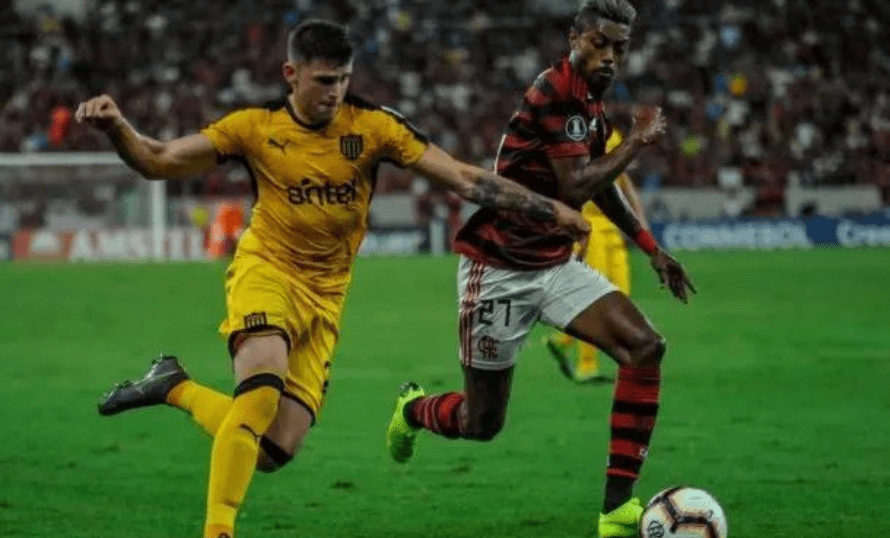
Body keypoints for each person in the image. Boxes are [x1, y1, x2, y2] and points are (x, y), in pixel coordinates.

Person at [77, 19, 589, 538]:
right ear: (290, 74)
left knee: (274, 448)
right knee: (258, 395)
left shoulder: (373, 128)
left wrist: (550, 210)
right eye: (324, 80)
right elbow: (158, 160)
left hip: (326, 297)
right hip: (267, 271)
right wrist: (119, 127)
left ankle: (174, 387)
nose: (336, 91)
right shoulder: (254, 127)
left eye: (343, 78)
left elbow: (462, 176)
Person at [384, 2, 696, 538]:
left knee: (645, 346)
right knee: (482, 424)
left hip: (553, 265)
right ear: (574, 36)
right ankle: (415, 410)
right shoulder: (555, 92)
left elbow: (596, 186)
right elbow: (575, 185)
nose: (610, 56)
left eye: (620, 48)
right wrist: (638, 144)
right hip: (499, 270)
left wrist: (651, 249)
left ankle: (616, 508)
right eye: (600, 42)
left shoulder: (591, 105)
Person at [544, 129, 650, 383]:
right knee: (593, 299)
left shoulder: (611, 134)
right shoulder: (570, 132)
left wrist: (640, 220)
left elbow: (624, 180)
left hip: (612, 225)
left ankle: (562, 341)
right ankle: (586, 365)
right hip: (588, 225)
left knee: (622, 295)